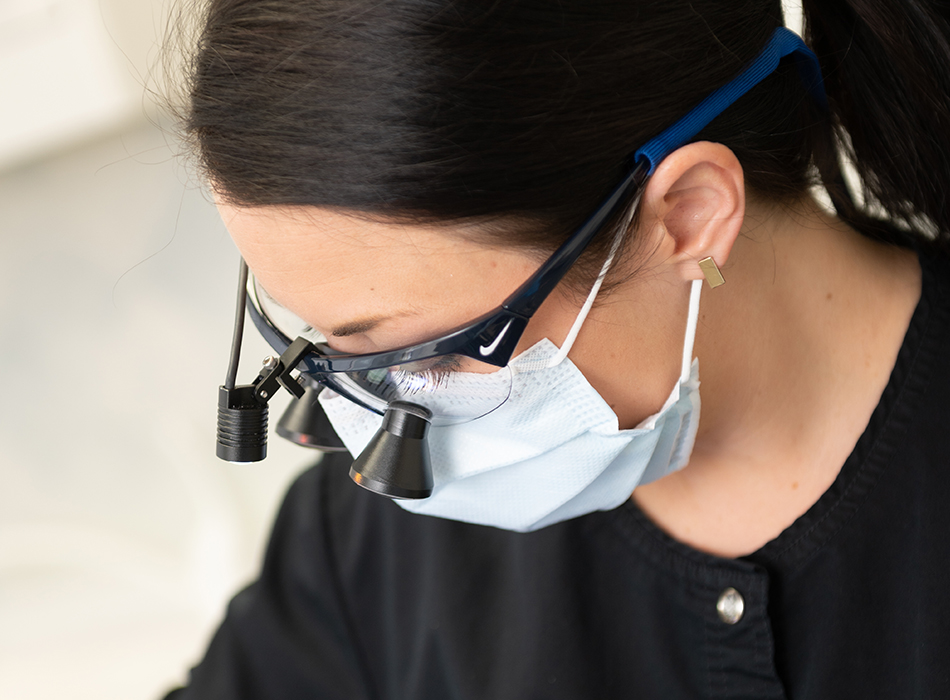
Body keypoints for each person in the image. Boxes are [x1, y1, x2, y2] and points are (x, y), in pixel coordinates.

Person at [163, 0, 950, 697]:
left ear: (691, 216)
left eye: (428, 353)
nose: (372, 438)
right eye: (318, 343)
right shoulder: (369, 548)